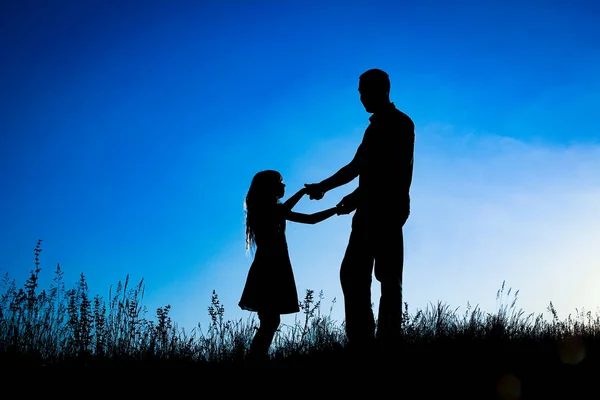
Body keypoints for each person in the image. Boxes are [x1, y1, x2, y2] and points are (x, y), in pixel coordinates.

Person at [304, 68, 415, 353]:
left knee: (386, 277)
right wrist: (324, 187)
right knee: (355, 273)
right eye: (360, 93)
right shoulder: (375, 127)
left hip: (386, 210)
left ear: (383, 90)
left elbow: (390, 170)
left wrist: (354, 195)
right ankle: (364, 340)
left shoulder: (400, 124)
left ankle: (385, 340)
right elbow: (358, 167)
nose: (361, 98)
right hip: (368, 209)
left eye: (365, 92)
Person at [239, 169, 340, 362]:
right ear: (269, 187)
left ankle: (255, 359)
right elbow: (295, 214)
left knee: (270, 320)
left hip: (271, 268)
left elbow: (310, 219)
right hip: (269, 269)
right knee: (270, 321)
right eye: (280, 182)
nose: (284, 185)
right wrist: (304, 193)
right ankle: (254, 360)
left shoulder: (270, 210)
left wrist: (336, 209)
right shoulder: (268, 210)